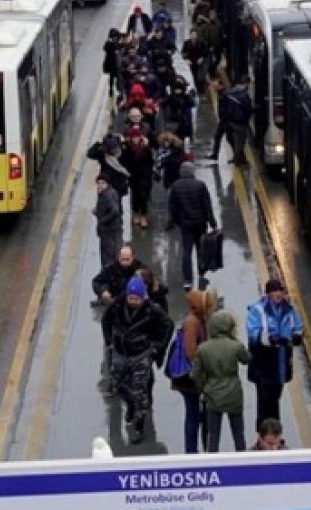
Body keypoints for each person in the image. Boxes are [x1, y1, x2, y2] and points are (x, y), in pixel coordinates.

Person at [102, 276, 174, 444]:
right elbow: (106, 320)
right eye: (130, 298)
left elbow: (168, 325)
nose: (133, 301)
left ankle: (138, 427)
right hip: (120, 353)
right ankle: (131, 405)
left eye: (136, 298)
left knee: (140, 392)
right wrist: (109, 342)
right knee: (117, 385)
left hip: (140, 355)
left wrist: (159, 346)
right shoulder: (117, 305)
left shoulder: (152, 310)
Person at [245, 279, 304, 429]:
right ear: (268, 293)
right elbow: (253, 334)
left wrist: (297, 336)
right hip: (264, 363)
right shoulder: (258, 310)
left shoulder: (289, 310)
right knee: (265, 401)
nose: (278, 294)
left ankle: (273, 433)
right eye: (275, 291)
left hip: (281, 361)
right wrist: (269, 339)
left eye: (280, 291)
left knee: (275, 398)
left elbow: (297, 326)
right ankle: (265, 433)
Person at [170, 287, 221, 454]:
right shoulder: (192, 322)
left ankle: (202, 449)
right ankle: (192, 451)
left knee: (203, 414)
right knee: (194, 415)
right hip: (192, 378)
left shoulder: (202, 319)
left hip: (199, 376)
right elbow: (191, 352)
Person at [192, 310, 250, 452]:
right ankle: (242, 461)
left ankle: (213, 462)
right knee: (238, 434)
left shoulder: (203, 348)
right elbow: (247, 359)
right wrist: (234, 339)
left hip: (212, 393)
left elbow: (194, 374)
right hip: (233, 393)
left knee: (213, 435)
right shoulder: (235, 346)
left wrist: (203, 387)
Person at [167, 162, 218, 290]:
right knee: (201, 248)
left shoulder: (176, 186)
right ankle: (201, 271)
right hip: (200, 223)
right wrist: (213, 223)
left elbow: (172, 206)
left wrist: (173, 221)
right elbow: (207, 206)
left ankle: (188, 280)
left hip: (185, 224)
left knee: (186, 252)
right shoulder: (200, 185)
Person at [243, 418, 296, 510]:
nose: (273, 448)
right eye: (269, 444)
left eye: (277, 443)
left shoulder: (290, 457)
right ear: (260, 439)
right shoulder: (247, 459)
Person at [119, 126, 155, 229]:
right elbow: (123, 162)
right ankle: (136, 213)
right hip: (133, 177)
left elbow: (150, 162)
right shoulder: (126, 149)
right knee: (135, 196)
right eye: (133, 137)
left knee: (143, 196)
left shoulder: (145, 149)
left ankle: (143, 215)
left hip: (144, 177)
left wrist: (148, 174)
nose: (135, 139)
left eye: (137, 137)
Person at [92, 175, 123, 272]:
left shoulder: (108, 196)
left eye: (103, 183)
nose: (100, 185)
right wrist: (97, 211)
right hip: (110, 229)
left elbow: (115, 211)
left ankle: (108, 272)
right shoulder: (108, 192)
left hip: (108, 230)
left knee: (108, 253)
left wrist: (103, 220)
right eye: (98, 183)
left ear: (107, 184)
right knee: (111, 251)